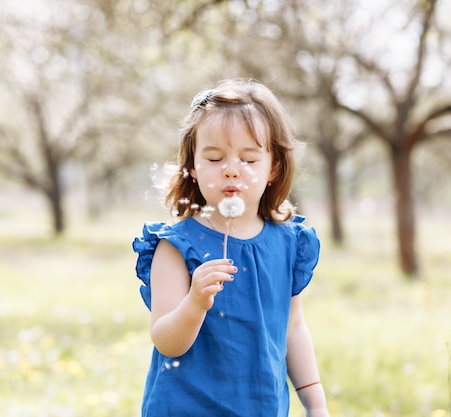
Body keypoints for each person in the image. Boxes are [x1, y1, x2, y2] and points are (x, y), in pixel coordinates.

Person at [132, 79, 330, 417]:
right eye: (214, 158)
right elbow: (165, 340)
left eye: (249, 160)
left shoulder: (288, 244)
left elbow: (292, 328)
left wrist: (315, 403)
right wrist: (195, 303)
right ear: (193, 167)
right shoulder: (175, 247)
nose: (231, 171)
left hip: (262, 407)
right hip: (184, 408)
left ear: (274, 168)